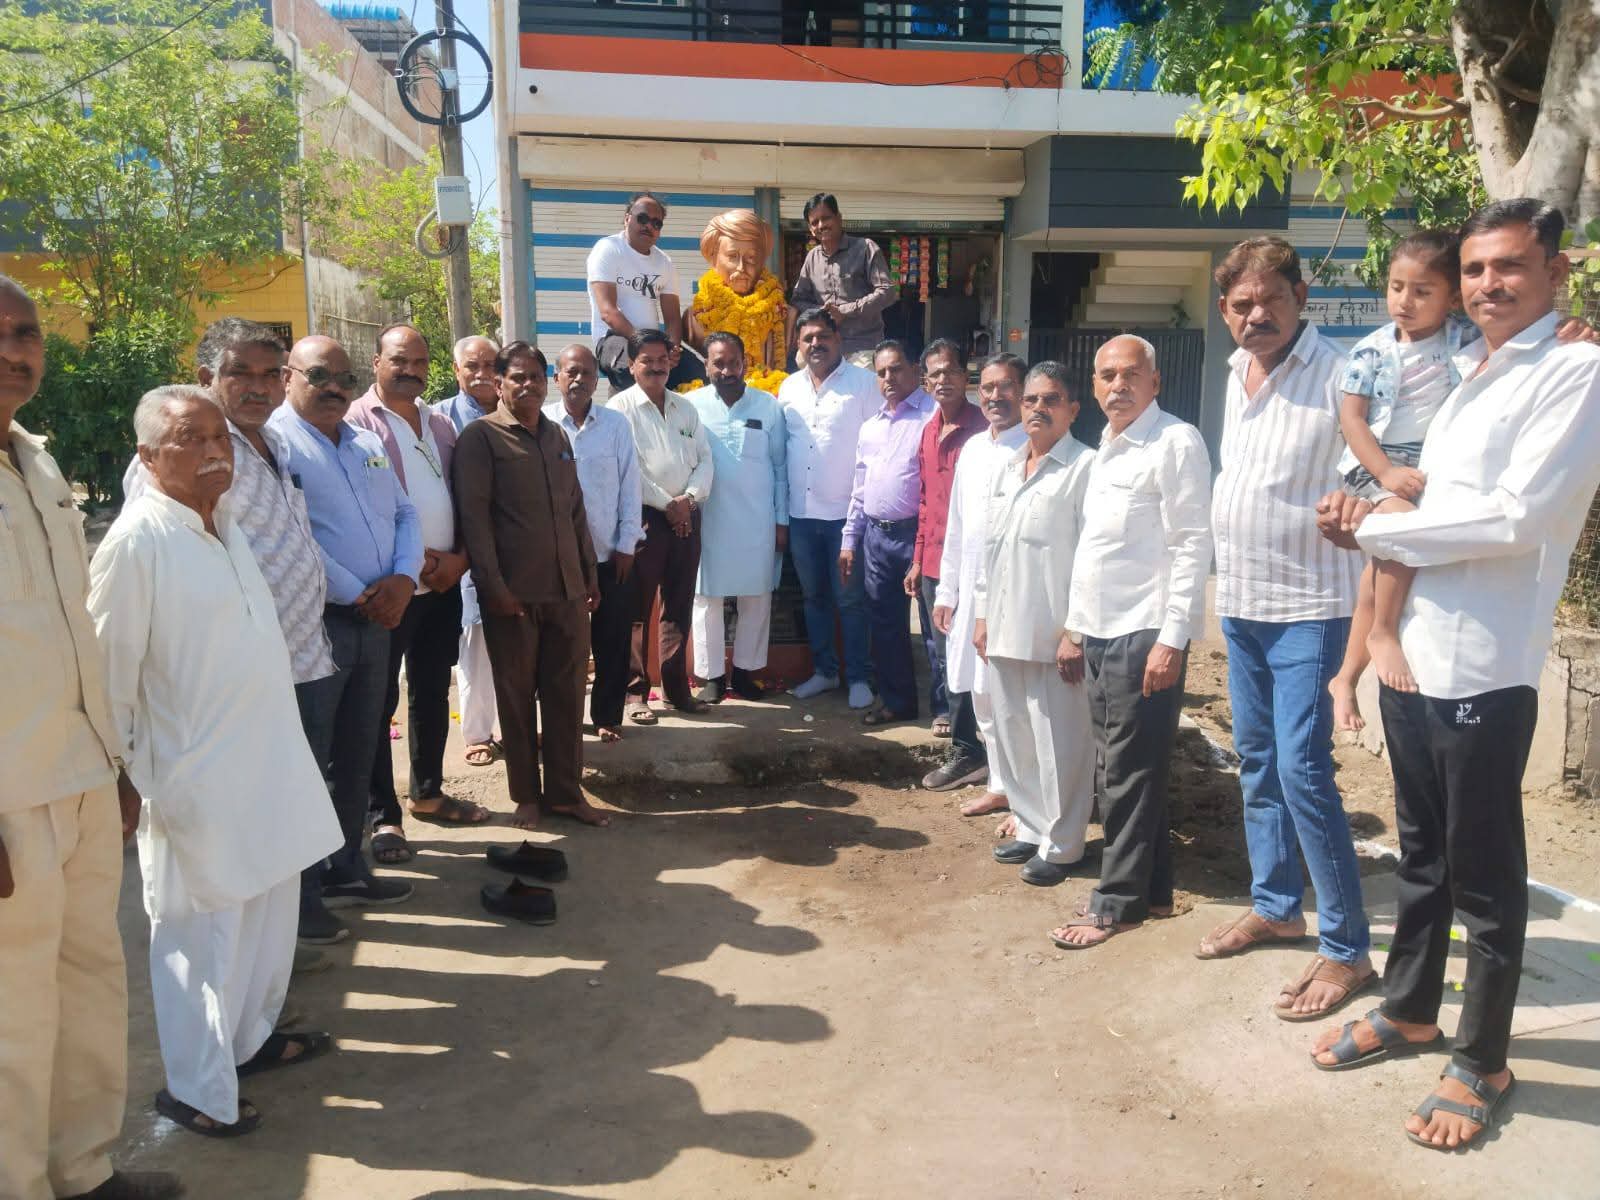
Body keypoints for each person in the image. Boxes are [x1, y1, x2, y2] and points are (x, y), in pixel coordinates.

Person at [1310, 199, 1600, 1152]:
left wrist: (1378, 528)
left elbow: (1519, 517)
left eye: (1509, 266)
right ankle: (1410, 1008)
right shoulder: (1470, 366)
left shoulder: (1575, 371)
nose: (1487, 285)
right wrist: (1371, 524)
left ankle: (1483, 1060)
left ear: (1556, 272)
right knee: (1422, 854)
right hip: (1417, 655)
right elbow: (1415, 487)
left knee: (1484, 871)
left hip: (1486, 662)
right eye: (1474, 269)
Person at [88, 387, 342, 1138]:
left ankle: (247, 1044)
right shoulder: (137, 543)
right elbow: (107, 677)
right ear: (147, 457)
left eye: (219, 440)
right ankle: (196, 1090)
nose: (211, 453)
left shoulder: (224, 523)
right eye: (188, 440)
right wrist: (121, 779)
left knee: (265, 923)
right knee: (202, 940)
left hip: (265, 765)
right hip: (194, 779)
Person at [0, 274, 183, 1200]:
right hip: (9, 797)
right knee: (11, 1011)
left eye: (26, 334)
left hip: (78, 774)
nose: (13, 351)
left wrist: (114, 765)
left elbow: (76, 630)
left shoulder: (38, 466)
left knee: (89, 985)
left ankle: (83, 1171)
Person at [119, 319, 346, 943]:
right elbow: (157, 555)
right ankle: (269, 942)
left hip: (303, 656)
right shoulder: (187, 454)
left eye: (270, 374)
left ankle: (292, 924)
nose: (258, 386)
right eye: (240, 372)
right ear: (206, 378)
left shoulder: (269, 443)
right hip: (237, 678)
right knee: (251, 820)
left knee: (291, 801)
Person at [1200, 235, 1375, 1020]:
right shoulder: (1235, 372)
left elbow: (1381, 465)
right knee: (1259, 761)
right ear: (1223, 309)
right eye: (1242, 304)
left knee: (1304, 771)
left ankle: (1347, 949)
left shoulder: (1344, 372)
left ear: (1301, 296)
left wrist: (1359, 500)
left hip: (1313, 605)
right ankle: (1276, 906)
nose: (1257, 315)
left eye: (1272, 299)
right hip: (1243, 602)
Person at [1046, 336, 1212, 948]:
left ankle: (1116, 903)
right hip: (1101, 629)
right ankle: (1155, 891)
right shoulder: (1107, 450)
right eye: (1107, 375)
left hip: (1145, 632)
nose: (1118, 385)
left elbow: (1193, 543)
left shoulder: (1175, 442)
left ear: (1155, 382)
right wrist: (1076, 628)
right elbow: (1097, 550)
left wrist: (1172, 639)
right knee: (1125, 769)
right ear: (1094, 386)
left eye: (1131, 374)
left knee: (1125, 774)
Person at [268, 335, 421, 918]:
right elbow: (293, 537)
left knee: (360, 747)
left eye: (344, 378)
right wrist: (361, 592)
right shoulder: (276, 445)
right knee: (312, 755)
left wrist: (403, 578)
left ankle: (346, 868)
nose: (333, 387)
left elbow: (405, 511)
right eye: (318, 375)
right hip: (319, 622)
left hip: (379, 619)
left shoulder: (364, 441)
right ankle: (303, 894)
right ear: (289, 376)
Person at [454, 342, 607, 829]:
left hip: (567, 591)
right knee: (516, 698)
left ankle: (565, 793)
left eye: (536, 377)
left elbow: (575, 510)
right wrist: (492, 587)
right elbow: (475, 520)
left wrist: (589, 572)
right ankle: (526, 796)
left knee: (567, 696)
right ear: (499, 383)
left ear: (547, 383)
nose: (528, 385)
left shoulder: (557, 435)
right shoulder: (481, 438)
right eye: (517, 377)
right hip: (513, 596)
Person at [349, 324, 484, 863]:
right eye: (399, 360)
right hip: (391, 586)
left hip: (444, 584)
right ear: (376, 361)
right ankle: (382, 816)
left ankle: (427, 793)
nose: (410, 370)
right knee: (377, 701)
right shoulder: (357, 421)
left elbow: (462, 496)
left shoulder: (440, 423)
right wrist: (415, 563)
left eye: (420, 362)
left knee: (431, 691)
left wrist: (459, 559)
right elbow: (363, 506)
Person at [1325, 232, 1470, 730]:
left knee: (1378, 572)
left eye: (1422, 291)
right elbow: (1352, 420)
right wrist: (1384, 472)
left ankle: (1345, 677)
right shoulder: (1371, 351)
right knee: (1402, 530)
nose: (1404, 301)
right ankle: (1383, 632)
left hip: (1426, 468)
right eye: (1396, 286)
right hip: (1373, 463)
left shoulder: (1465, 340)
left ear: (1453, 298)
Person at [973, 362, 1095, 887]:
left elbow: (1093, 558)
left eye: (1051, 399)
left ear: (1073, 409)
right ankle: (1029, 825)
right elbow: (989, 550)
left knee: (1060, 744)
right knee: (1014, 737)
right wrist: (982, 615)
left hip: (1053, 635)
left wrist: (1076, 632)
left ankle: (1064, 844)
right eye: (1031, 400)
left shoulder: (1085, 468)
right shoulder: (1007, 468)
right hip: (1003, 627)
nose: (1038, 409)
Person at [925, 353, 1029, 809]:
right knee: (982, 696)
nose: (995, 396)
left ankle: (1027, 797)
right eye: (987, 388)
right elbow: (958, 527)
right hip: (971, 592)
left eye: (1006, 386)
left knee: (1013, 699)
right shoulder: (973, 449)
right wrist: (947, 591)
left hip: (1016, 595)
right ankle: (1001, 787)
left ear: (1024, 392)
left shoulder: (1035, 448)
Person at [610, 329, 715, 720]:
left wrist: (687, 501)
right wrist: (667, 505)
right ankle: (635, 694)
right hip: (645, 517)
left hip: (686, 515)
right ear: (631, 365)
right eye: (647, 361)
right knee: (636, 607)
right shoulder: (620, 409)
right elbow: (627, 468)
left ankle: (676, 691)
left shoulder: (685, 407)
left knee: (679, 604)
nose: (656, 367)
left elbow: (705, 459)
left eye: (661, 360)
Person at [778, 307, 879, 706]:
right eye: (808, 338)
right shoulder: (789, 387)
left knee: (850, 600)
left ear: (838, 339)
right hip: (801, 516)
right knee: (814, 598)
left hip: (845, 517)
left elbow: (876, 449)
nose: (815, 344)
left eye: (823, 336)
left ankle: (859, 677)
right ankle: (824, 671)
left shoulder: (864, 384)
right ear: (798, 344)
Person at [545, 343, 642, 742]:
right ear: (556, 378)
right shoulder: (543, 425)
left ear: (597, 379)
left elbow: (630, 486)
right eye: (571, 371)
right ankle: (563, 721)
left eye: (587, 372)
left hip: (609, 553)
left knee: (612, 641)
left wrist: (627, 544)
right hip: (559, 559)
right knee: (561, 645)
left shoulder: (616, 425)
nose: (579, 379)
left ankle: (607, 717)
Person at [685, 332, 788, 703]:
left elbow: (780, 468)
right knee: (706, 597)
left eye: (733, 362)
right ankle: (711, 677)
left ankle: (745, 673)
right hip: (708, 518)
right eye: (719, 363)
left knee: (756, 596)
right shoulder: (690, 406)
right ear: (706, 366)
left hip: (757, 519)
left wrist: (781, 521)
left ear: (745, 363)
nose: (727, 370)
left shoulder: (768, 406)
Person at [840, 339, 935, 725]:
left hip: (919, 534)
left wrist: (924, 543)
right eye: (881, 372)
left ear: (915, 370)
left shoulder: (933, 416)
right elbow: (860, 488)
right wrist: (850, 539)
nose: (888, 378)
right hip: (877, 537)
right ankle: (898, 701)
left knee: (934, 625)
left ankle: (946, 709)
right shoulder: (871, 427)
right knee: (885, 624)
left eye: (896, 369)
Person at [908, 337, 985, 736]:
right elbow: (925, 502)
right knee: (939, 647)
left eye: (951, 371)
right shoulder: (928, 432)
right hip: (934, 562)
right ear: (925, 383)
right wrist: (918, 560)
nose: (943, 380)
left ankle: (973, 729)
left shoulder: (984, 430)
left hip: (972, 562)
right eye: (935, 374)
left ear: (965, 375)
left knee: (972, 647)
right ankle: (950, 718)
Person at [436, 335, 503, 767]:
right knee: (474, 641)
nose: (481, 374)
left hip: (513, 546)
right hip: (464, 547)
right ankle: (478, 733)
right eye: (472, 366)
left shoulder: (516, 409)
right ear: (456, 370)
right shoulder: (439, 419)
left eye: (490, 365)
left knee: (515, 642)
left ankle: (512, 726)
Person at [587, 191, 696, 391]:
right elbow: (608, 312)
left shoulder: (664, 263)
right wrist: (642, 343)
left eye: (656, 223)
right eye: (643, 218)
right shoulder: (609, 249)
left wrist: (672, 348)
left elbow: (672, 319)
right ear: (627, 219)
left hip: (653, 342)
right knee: (633, 370)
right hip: (613, 338)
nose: (649, 226)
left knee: (698, 374)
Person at [786, 193, 895, 365]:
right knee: (801, 364)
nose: (821, 225)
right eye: (815, 222)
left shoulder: (865, 248)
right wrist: (823, 312)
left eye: (826, 218)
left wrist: (844, 311)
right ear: (810, 228)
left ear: (839, 218)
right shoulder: (812, 257)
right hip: (823, 345)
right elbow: (798, 299)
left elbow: (887, 292)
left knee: (862, 380)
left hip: (862, 347)